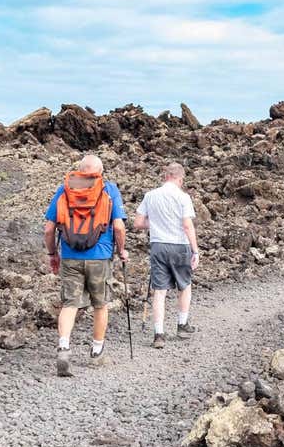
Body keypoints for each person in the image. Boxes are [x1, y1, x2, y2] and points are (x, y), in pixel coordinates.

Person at [43, 154, 128, 376]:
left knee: (70, 304)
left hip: (71, 257)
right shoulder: (109, 190)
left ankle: (63, 347)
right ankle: (97, 352)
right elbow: (118, 227)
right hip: (100, 257)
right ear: (100, 172)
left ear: (80, 170)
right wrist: (122, 251)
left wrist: (53, 254)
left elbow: (49, 229)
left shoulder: (65, 189)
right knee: (100, 305)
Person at [134, 162, 200, 349]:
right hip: (179, 246)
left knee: (160, 291)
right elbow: (187, 225)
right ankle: (182, 325)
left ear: (165, 176)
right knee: (184, 285)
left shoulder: (150, 195)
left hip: (158, 245)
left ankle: (159, 334)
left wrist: (155, 224)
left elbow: (138, 223)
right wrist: (195, 250)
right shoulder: (183, 197)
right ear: (180, 179)